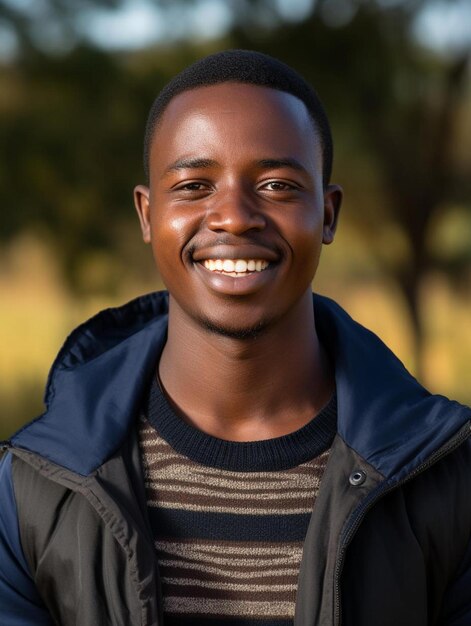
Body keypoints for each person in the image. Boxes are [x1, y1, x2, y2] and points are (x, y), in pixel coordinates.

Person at [0, 49, 470, 626]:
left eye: (275, 185)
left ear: (327, 213)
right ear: (148, 216)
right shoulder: (32, 489)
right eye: (195, 185)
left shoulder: (449, 480)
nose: (234, 216)